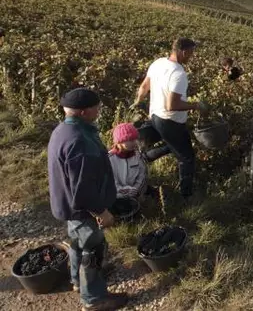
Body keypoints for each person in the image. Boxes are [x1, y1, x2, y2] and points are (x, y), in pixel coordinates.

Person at [47, 88, 128, 310]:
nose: (100, 109)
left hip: (68, 206)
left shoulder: (62, 129)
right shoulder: (80, 141)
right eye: (97, 107)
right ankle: (94, 300)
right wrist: (101, 211)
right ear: (84, 112)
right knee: (93, 249)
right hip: (83, 209)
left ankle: (77, 281)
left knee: (77, 243)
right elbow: (82, 188)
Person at [134, 38, 206, 201]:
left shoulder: (158, 63)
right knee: (186, 157)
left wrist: (137, 102)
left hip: (155, 115)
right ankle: (185, 196)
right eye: (191, 53)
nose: (192, 56)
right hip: (170, 121)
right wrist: (196, 106)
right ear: (183, 52)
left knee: (173, 144)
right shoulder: (179, 74)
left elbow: (144, 86)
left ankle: (146, 158)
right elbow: (172, 104)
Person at [108, 123, 148, 199]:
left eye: (135, 139)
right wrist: (122, 190)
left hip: (136, 195)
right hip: (115, 196)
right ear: (119, 142)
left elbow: (142, 175)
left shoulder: (138, 157)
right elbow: (109, 180)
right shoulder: (109, 159)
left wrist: (136, 190)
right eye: (130, 140)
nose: (134, 142)